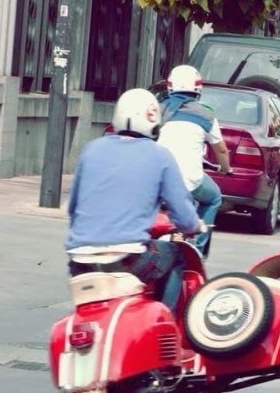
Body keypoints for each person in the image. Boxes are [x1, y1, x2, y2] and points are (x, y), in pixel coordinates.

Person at [66, 88, 205, 315]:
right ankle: (164, 321)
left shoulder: (92, 149)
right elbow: (184, 216)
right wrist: (195, 226)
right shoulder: (160, 155)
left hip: (80, 260)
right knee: (177, 256)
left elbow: (73, 209)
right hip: (129, 258)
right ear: (154, 120)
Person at [158, 64, 232, 257]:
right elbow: (222, 150)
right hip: (191, 181)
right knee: (214, 197)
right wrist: (226, 168)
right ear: (198, 89)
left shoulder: (157, 110)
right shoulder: (206, 115)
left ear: (170, 86)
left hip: (158, 179)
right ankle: (196, 249)